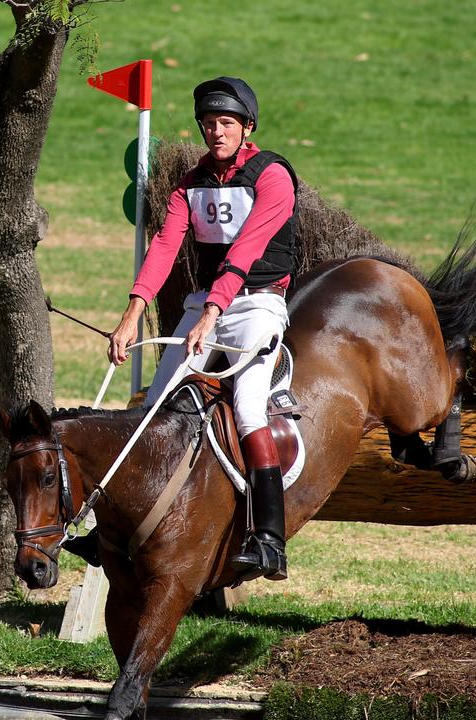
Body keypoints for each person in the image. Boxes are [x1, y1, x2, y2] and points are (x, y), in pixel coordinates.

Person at [108, 76, 299, 582]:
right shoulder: (190, 185)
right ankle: (127, 528)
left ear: (247, 127)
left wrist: (214, 312)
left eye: (226, 123)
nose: (215, 132)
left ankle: (269, 542)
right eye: (208, 124)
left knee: (247, 407)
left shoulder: (273, 176)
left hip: (257, 305)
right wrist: (131, 315)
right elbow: (165, 248)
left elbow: (245, 251)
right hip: (207, 304)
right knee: (154, 408)